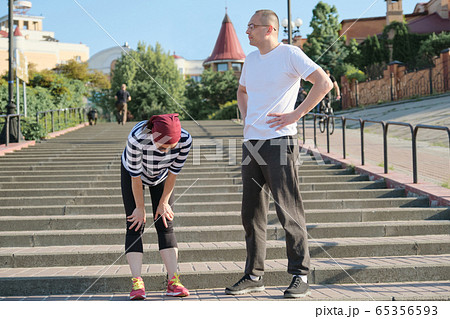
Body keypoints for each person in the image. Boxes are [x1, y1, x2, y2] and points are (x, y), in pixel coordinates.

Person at [225, 9, 332, 298]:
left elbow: (324, 83)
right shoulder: (251, 59)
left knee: (288, 208)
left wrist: (295, 115)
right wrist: (248, 120)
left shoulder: (290, 54)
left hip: (280, 141)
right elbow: (242, 91)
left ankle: (300, 274)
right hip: (252, 142)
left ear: (269, 29)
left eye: (251, 26)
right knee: (252, 213)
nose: (247, 31)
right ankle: (254, 275)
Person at [121, 113, 192, 300]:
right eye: (161, 147)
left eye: (170, 148)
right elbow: (135, 179)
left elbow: (173, 174)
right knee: (135, 223)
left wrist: (164, 203)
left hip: (162, 176)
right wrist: (140, 208)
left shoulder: (185, 140)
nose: (165, 152)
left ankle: (173, 281)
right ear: (153, 136)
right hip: (135, 175)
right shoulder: (137, 140)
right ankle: (137, 283)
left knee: (165, 222)